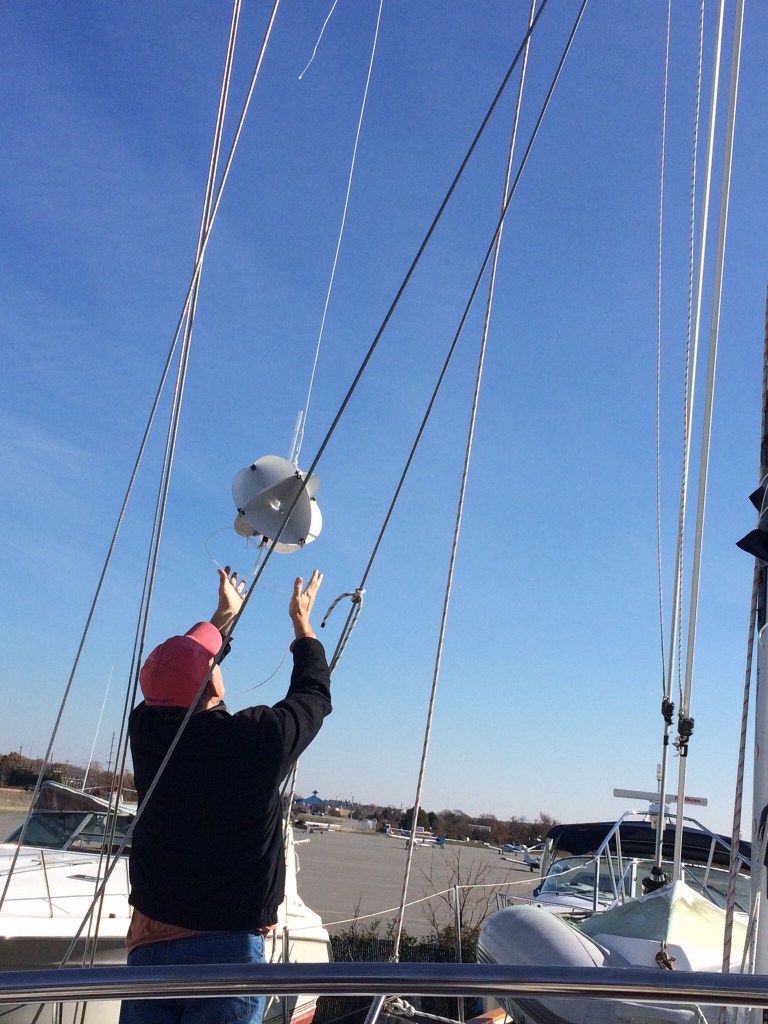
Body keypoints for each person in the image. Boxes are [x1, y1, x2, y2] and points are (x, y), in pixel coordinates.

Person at [120, 567, 332, 1024]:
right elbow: (313, 695)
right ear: (213, 682)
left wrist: (222, 618)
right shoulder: (254, 742)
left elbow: (180, 674)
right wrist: (302, 625)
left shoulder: (145, 729)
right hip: (227, 947)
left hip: (150, 938)